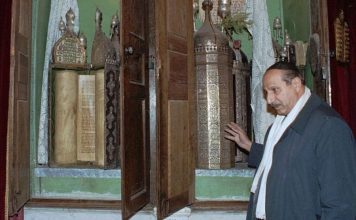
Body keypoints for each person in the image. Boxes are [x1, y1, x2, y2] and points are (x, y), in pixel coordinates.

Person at [225, 61, 356, 220]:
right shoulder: (278, 126)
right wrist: (250, 147)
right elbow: (286, 163)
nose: (270, 100)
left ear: (295, 84)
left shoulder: (328, 126)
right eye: (266, 92)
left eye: (275, 90)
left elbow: (340, 202)